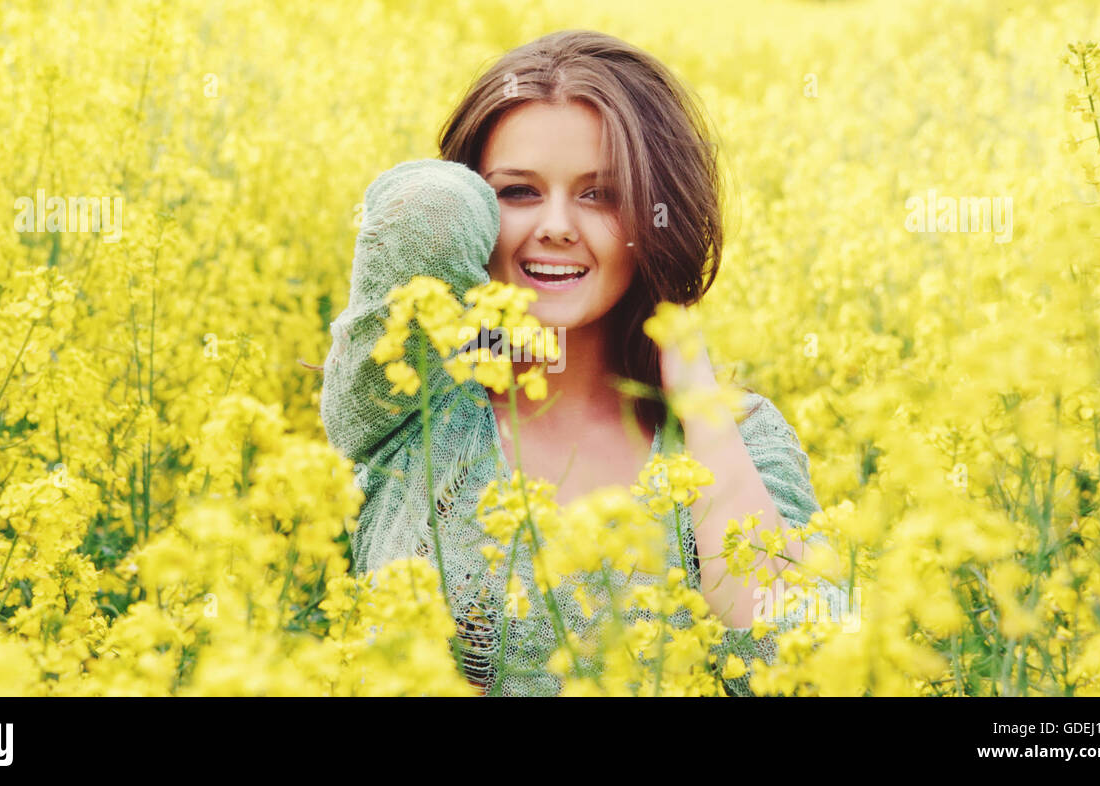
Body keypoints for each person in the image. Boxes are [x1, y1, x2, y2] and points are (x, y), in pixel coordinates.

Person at [319, 30, 828, 696]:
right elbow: (426, 211)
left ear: (655, 218)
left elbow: (794, 668)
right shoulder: (414, 400)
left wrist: (691, 378)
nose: (557, 225)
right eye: (518, 192)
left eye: (599, 194)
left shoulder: (743, 438)